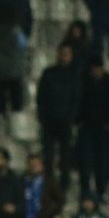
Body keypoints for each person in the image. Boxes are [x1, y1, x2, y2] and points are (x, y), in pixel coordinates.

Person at [37, 44, 82, 193]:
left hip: (65, 122)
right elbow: (41, 98)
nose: (64, 56)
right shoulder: (48, 73)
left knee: (65, 157)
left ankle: (64, 187)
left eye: (67, 54)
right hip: (49, 121)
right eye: (62, 53)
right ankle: (48, 185)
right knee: (48, 156)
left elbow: (76, 99)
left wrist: (70, 118)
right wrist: (43, 117)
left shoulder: (75, 75)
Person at [75, 54, 109, 200]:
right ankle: (85, 191)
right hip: (86, 126)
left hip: (102, 128)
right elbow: (78, 101)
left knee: (101, 162)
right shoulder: (83, 81)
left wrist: (108, 122)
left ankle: (101, 190)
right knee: (85, 161)